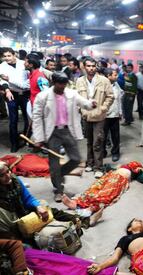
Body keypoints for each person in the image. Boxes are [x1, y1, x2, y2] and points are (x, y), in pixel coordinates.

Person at [32, 72, 97, 202]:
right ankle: (58, 190)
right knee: (54, 163)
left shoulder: (71, 94)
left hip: (67, 131)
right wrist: (38, 138)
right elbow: (37, 117)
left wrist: (91, 104)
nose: (62, 86)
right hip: (52, 133)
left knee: (76, 159)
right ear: (53, 82)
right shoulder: (43, 96)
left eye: (64, 83)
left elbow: (84, 103)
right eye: (59, 83)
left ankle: (58, 175)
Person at [0, 161, 102, 240]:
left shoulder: (15, 180)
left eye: (8, 171)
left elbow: (27, 198)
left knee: (51, 211)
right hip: (12, 222)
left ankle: (85, 220)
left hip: (23, 210)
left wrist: (38, 207)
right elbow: (5, 221)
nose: (7, 176)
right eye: (2, 175)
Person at [76, 57, 114, 179]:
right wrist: (81, 110)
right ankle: (90, 163)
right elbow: (77, 98)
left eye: (93, 66)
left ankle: (98, 167)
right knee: (89, 141)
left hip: (99, 116)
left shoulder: (104, 80)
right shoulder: (80, 81)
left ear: (96, 67)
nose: (91, 68)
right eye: (88, 66)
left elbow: (110, 96)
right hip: (86, 115)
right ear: (84, 67)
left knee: (98, 141)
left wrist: (103, 108)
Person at [62, 161, 143, 215]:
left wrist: (141, 170)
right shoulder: (124, 165)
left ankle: (90, 208)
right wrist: (109, 167)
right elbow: (111, 168)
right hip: (110, 175)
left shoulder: (138, 167)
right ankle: (76, 202)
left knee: (106, 194)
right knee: (93, 188)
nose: (131, 163)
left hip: (119, 179)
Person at [0, 48, 30, 152]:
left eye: (9, 55)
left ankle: (27, 139)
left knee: (28, 118)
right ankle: (14, 143)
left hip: (26, 94)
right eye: (4, 56)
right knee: (13, 120)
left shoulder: (24, 64)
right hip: (12, 95)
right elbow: (2, 80)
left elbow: (28, 79)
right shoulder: (2, 66)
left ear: (14, 55)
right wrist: (7, 90)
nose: (7, 58)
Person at [103, 68, 123, 162]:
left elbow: (119, 99)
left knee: (115, 136)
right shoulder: (102, 86)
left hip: (115, 115)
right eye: (115, 75)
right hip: (104, 115)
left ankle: (115, 153)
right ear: (108, 76)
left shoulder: (116, 85)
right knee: (102, 136)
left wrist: (120, 112)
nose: (117, 76)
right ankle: (102, 152)